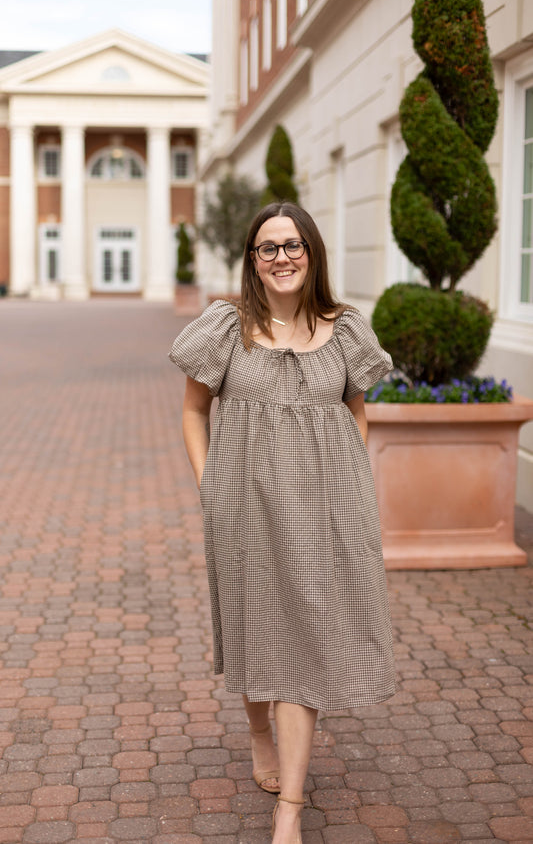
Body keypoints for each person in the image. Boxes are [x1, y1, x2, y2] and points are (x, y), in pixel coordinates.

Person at [169, 202, 395, 843]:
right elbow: (192, 413)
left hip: (327, 510)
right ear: (252, 261)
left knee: (306, 646)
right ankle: (258, 731)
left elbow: (356, 411)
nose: (282, 257)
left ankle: (289, 811)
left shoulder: (346, 329)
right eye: (267, 248)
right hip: (243, 508)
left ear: (312, 253)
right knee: (254, 634)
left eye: (293, 245)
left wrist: (352, 484)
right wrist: (209, 484)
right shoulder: (226, 328)